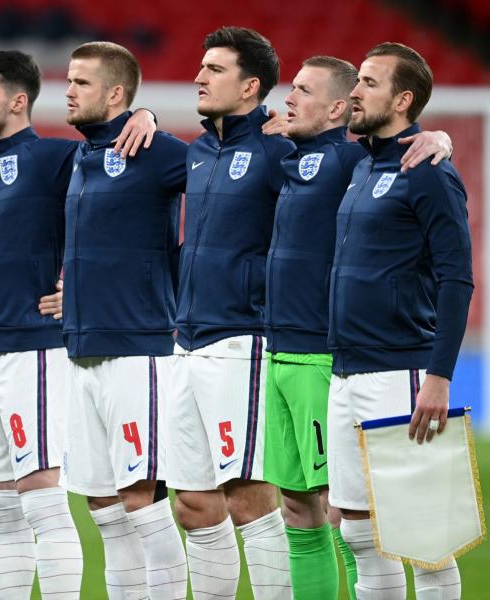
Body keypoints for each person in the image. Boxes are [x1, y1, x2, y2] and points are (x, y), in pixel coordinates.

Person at [0, 49, 156, 599]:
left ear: (18, 102)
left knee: (41, 498)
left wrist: (145, 116)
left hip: (34, 351)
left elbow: (121, 178)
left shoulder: (51, 158)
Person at [260, 57, 451, 600]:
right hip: (292, 355)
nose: (289, 97)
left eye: (303, 89)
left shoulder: (356, 158)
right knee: (321, 515)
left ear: (341, 107)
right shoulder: (292, 155)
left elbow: (454, 272)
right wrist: (148, 113)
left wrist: (436, 136)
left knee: (387, 527)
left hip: (350, 359)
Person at [328, 42, 471, 599]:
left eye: (367, 82)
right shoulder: (362, 165)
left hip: (400, 373)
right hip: (345, 373)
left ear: (402, 98)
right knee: (358, 531)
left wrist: (437, 376)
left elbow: (457, 277)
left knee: (425, 539)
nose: (354, 91)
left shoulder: (431, 171)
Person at [165, 27, 296, 599]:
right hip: (186, 340)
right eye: (201, 66)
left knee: (248, 496)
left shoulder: (280, 150)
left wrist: (436, 136)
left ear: (250, 86)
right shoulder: (196, 149)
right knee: (192, 503)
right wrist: (141, 113)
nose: (199, 77)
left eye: (214, 69)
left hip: (242, 340)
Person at [59, 41, 189, 600]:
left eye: (81, 82)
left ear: (116, 93)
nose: (67, 90)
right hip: (81, 353)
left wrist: (150, 118)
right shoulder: (81, 156)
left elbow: (229, 178)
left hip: (139, 352)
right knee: (104, 508)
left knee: (141, 501)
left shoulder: (154, 151)